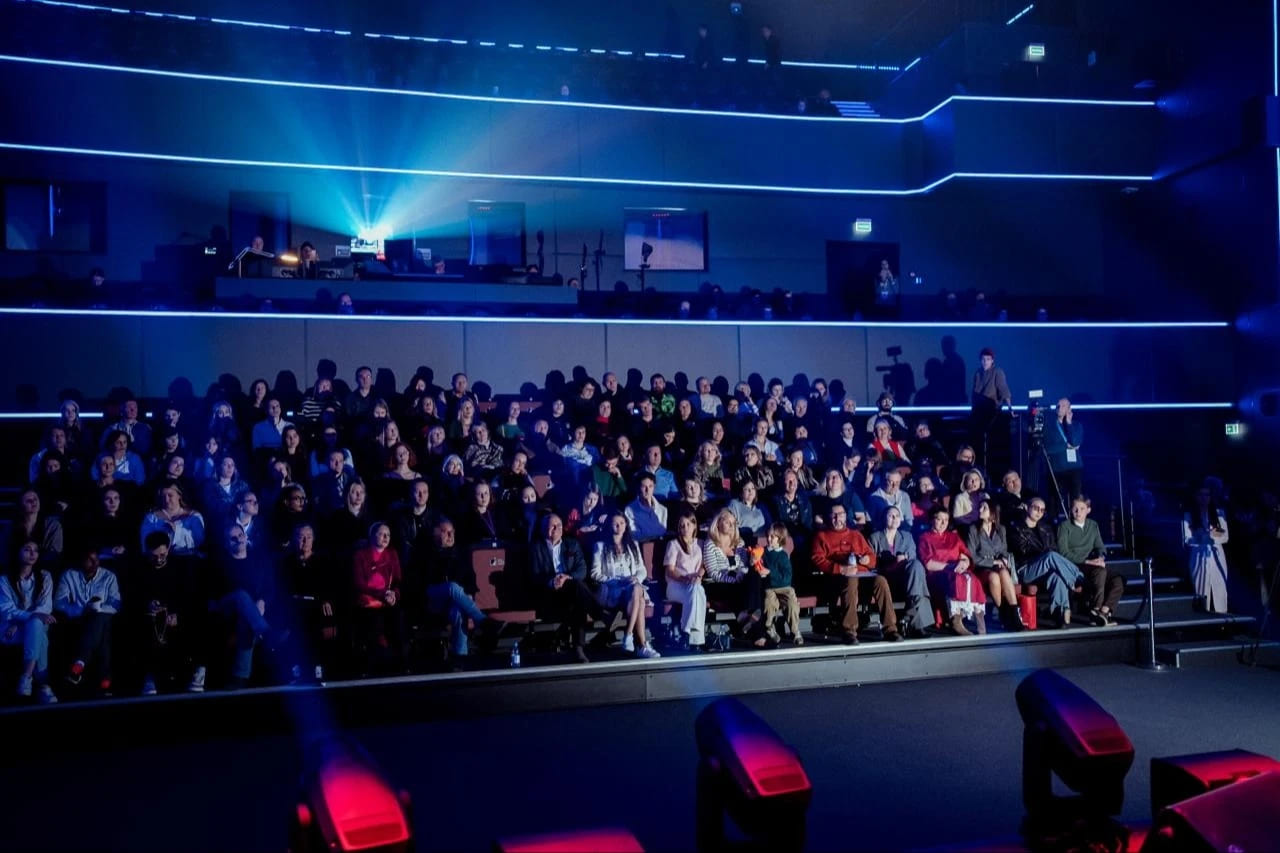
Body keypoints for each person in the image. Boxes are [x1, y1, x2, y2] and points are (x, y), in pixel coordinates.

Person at [810, 504, 901, 644]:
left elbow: (872, 558)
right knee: (851, 580)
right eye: (834, 515)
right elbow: (817, 559)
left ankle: (890, 629)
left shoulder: (856, 535)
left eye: (841, 515)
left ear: (846, 516)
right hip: (838, 577)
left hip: (862, 574)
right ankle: (849, 631)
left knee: (881, 580)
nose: (837, 518)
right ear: (828, 517)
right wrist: (841, 569)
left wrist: (867, 560)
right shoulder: (821, 536)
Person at [527, 514, 601, 663]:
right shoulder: (535, 548)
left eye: (559, 526)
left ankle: (578, 648)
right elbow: (533, 576)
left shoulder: (571, 544)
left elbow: (582, 570)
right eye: (552, 526)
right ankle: (600, 615)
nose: (557, 529)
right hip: (549, 593)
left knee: (577, 593)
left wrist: (566, 577)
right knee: (578, 592)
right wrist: (551, 581)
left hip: (570, 589)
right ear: (543, 529)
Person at [591, 513, 660, 658]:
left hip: (632, 587)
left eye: (622, 523)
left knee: (636, 589)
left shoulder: (632, 544)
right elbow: (595, 573)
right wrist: (616, 581)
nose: (619, 526)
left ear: (626, 525)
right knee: (640, 600)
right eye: (615, 523)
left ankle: (630, 637)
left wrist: (636, 578)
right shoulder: (600, 546)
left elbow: (642, 570)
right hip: (613, 590)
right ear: (609, 525)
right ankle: (641, 645)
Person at [1008, 497, 1083, 628]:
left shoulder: (1046, 529)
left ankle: (1059, 613)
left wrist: (1047, 556)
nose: (1039, 512)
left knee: (1057, 575)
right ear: (1027, 507)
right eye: (1036, 508)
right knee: (1050, 556)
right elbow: (1023, 550)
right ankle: (1077, 578)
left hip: (1045, 569)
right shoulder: (1016, 528)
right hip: (1026, 570)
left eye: (1042, 510)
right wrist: (1045, 555)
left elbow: (1054, 549)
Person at [55, 546, 121, 694]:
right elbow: (59, 603)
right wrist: (80, 610)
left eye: (96, 559)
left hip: (102, 617)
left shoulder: (109, 576)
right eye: (90, 560)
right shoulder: (69, 575)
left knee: (101, 619)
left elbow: (116, 604)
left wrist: (98, 609)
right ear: (81, 560)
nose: (95, 562)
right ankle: (105, 681)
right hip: (78, 619)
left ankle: (79, 663)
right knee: (102, 629)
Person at [0, 540, 58, 703]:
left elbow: (45, 607)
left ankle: (26, 677)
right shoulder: (4, 579)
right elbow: (6, 609)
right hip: (10, 629)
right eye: (27, 549)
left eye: (36, 550)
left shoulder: (45, 576)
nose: (33, 554)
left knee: (37, 624)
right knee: (38, 627)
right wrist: (28, 618)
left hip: (20, 625)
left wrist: (23, 620)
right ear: (17, 552)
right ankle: (43, 685)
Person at [1057, 496, 1123, 626]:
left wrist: (1101, 558)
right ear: (1071, 510)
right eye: (1075, 509)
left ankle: (1104, 613)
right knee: (1100, 572)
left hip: (1092, 565)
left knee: (1118, 580)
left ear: (1088, 510)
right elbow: (1063, 553)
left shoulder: (1092, 525)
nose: (1078, 512)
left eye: (1082, 509)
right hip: (1074, 565)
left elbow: (1100, 547)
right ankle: (1095, 610)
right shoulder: (1064, 526)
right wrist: (1087, 561)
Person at [867, 506, 932, 638]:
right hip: (885, 579)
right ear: (884, 518)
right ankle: (915, 623)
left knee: (917, 566)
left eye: (897, 516)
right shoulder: (874, 538)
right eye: (891, 516)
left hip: (905, 579)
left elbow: (912, 557)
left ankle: (913, 618)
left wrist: (904, 558)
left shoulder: (907, 536)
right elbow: (871, 564)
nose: (894, 518)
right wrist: (891, 561)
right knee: (917, 582)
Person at [918, 508, 986, 635]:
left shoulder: (953, 536)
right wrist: (951, 567)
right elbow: (928, 564)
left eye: (946, 520)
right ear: (932, 520)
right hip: (938, 574)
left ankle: (980, 622)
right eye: (940, 519)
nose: (943, 523)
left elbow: (965, 555)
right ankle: (956, 621)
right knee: (957, 579)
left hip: (957, 570)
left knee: (973, 579)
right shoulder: (925, 538)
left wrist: (964, 563)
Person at [352, 522, 405, 671]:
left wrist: (394, 594)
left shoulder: (392, 554)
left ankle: (400, 663)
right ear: (372, 536)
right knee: (374, 621)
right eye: (382, 534)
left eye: (388, 534)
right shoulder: (360, 555)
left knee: (398, 618)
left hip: (388, 599)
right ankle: (375, 664)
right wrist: (382, 594)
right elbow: (359, 583)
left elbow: (398, 580)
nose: (386, 537)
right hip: (368, 600)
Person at [966, 498, 1023, 631]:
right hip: (981, 568)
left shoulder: (1001, 529)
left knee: (1003, 572)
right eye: (980, 507)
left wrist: (1004, 559)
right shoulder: (973, 529)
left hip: (999, 567)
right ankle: (1003, 613)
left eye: (984, 507)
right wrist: (993, 561)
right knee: (994, 577)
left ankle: (1014, 615)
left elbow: (1004, 551)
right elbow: (972, 557)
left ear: (992, 512)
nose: (980, 510)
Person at [663, 511, 708, 650]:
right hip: (676, 585)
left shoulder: (700, 543)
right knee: (698, 592)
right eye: (682, 525)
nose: (685, 528)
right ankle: (695, 639)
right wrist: (684, 579)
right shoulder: (673, 544)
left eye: (688, 524)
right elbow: (669, 570)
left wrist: (698, 576)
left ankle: (687, 635)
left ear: (694, 525)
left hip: (694, 585)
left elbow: (703, 565)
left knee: (697, 590)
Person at [1183, 486, 1230, 613]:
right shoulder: (1189, 515)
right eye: (1201, 494)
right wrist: (1202, 537)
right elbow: (1187, 539)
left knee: (1220, 588)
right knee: (1201, 589)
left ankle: (1222, 615)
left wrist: (1209, 535)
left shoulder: (1219, 513)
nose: (1204, 498)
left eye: (1207, 495)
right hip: (1198, 556)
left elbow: (1225, 536)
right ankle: (1202, 614)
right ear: (1196, 496)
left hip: (1216, 554)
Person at [757, 522, 802, 645]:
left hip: (784, 587)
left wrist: (770, 572)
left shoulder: (783, 556)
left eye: (773, 536)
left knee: (792, 604)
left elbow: (786, 578)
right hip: (770, 587)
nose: (769, 539)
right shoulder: (763, 552)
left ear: (780, 538)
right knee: (769, 603)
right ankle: (770, 628)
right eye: (768, 536)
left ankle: (795, 631)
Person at [1041, 397, 1083, 509]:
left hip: (1074, 468)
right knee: (1056, 500)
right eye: (1058, 406)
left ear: (1069, 409)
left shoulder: (1077, 425)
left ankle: (1074, 518)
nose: (1059, 408)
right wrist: (1065, 446)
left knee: (1076, 499)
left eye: (1063, 406)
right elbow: (1047, 449)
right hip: (1057, 468)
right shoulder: (1049, 428)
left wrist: (1069, 423)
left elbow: (1075, 442)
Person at [625, 472, 669, 540]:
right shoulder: (629, 509)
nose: (647, 490)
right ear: (638, 487)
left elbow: (662, 532)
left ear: (654, 487)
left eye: (650, 486)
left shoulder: (663, 509)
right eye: (643, 486)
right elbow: (634, 534)